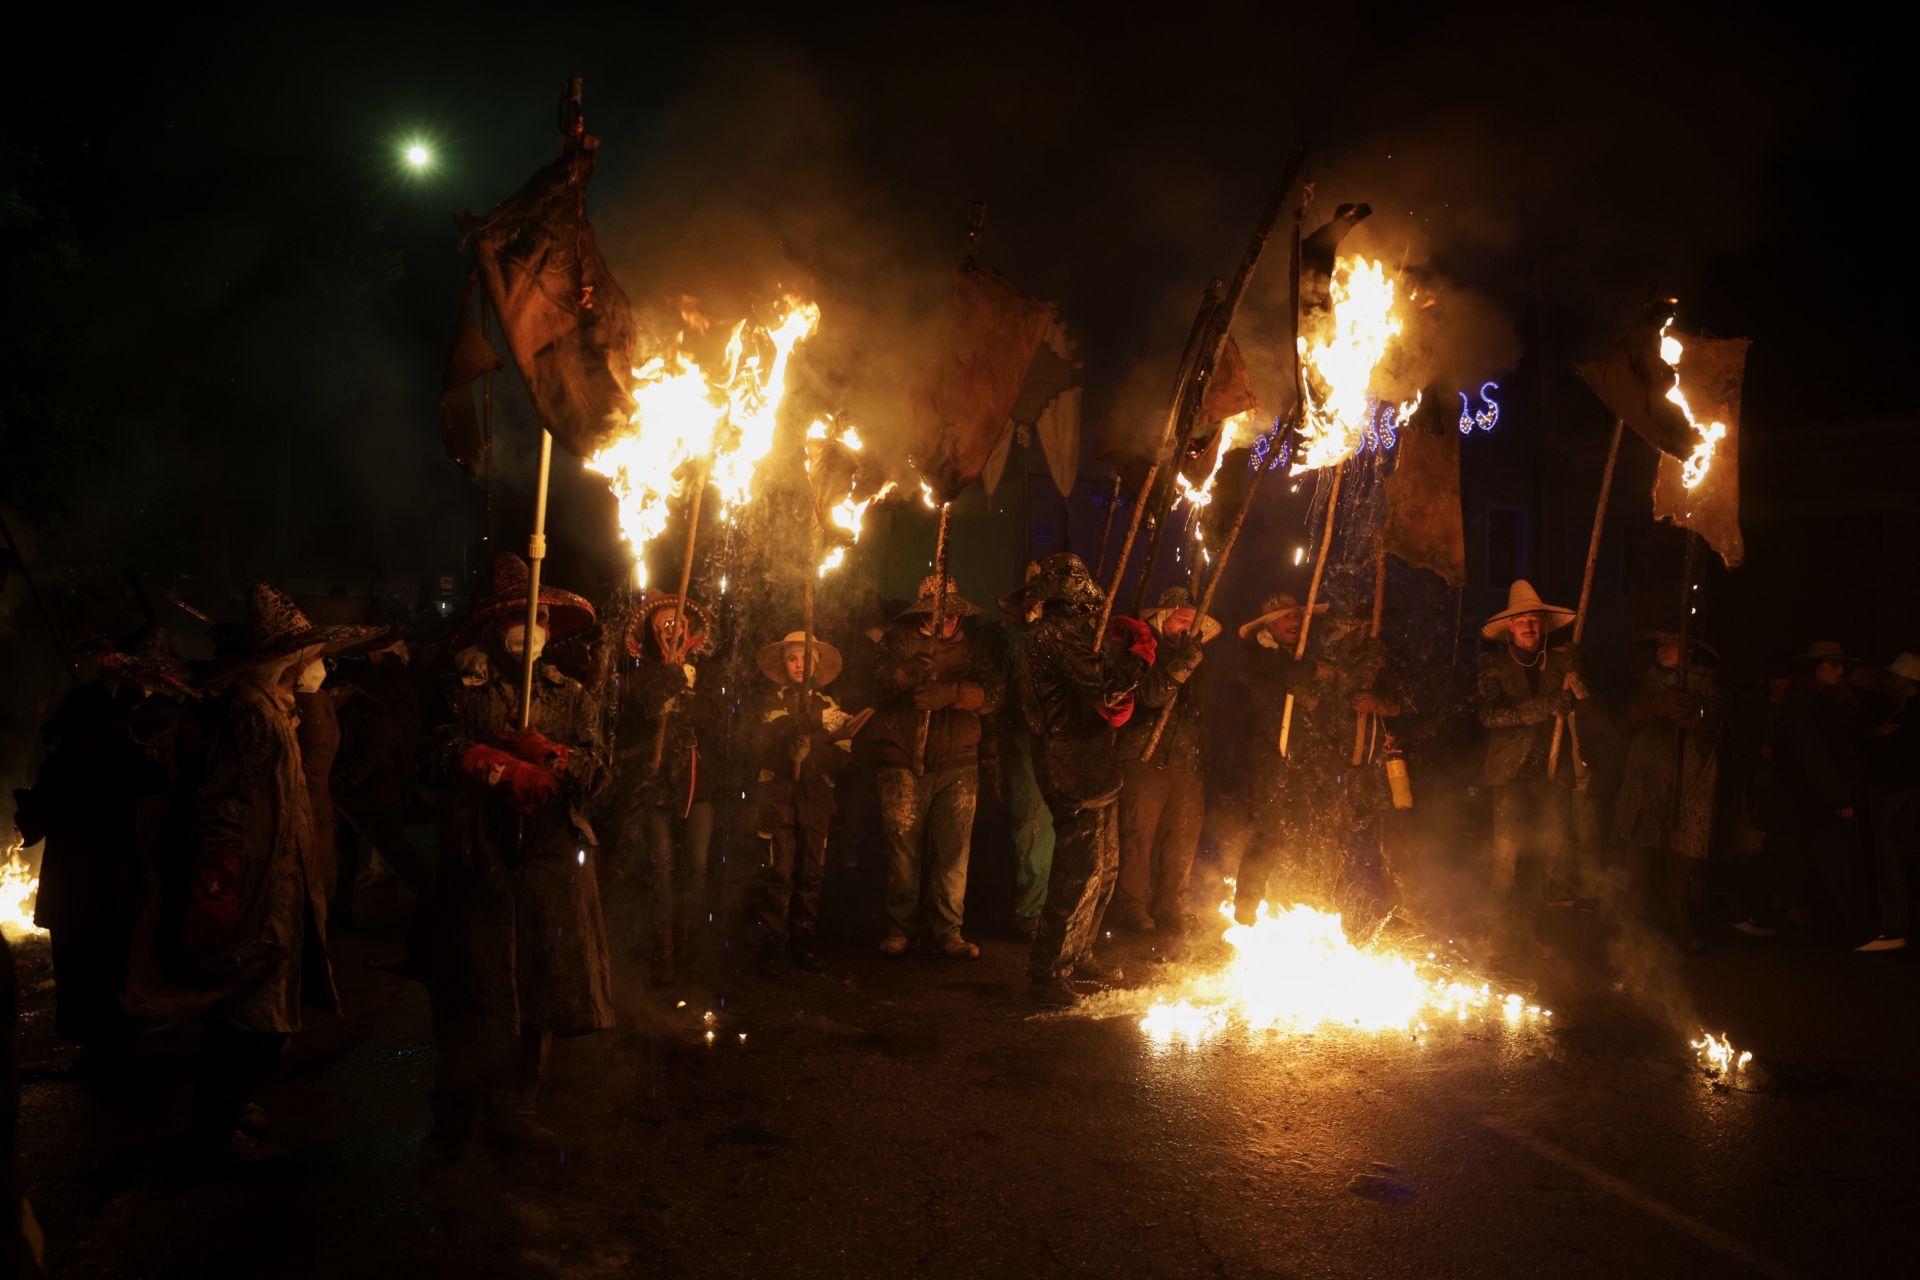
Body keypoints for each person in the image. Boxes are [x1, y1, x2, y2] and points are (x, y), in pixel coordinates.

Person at [423, 555, 613, 1166]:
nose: (530, 632)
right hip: (479, 850)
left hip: (550, 854)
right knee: (471, 979)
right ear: (495, 625)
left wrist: (554, 756)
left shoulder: (572, 695)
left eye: (540, 622)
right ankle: (455, 1104)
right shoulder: (461, 688)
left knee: (539, 976)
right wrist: (495, 766)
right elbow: (433, 752)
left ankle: (519, 1106)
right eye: (518, 619)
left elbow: (599, 771)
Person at [181, 585, 379, 1158]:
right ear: (287, 659)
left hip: (278, 883)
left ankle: (224, 1118)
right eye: (308, 655)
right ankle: (215, 1133)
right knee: (247, 1018)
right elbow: (222, 808)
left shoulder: (271, 709)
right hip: (252, 892)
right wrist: (216, 892)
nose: (316, 665)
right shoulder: (250, 714)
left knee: (264, 1015)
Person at [13, 627, 198, 1054]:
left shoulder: (65, 761)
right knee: (104, 959)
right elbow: (155, 781)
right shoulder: (117, 759)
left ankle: (85, 1029)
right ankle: (104, 1035)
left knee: (76, 962)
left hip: (72, 886)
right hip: (109, 882)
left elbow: (35, 818)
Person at [1004, 554, 1154, 1007]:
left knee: (1103, 869)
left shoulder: (1063, 633)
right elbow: (1107, 684)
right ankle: (1046, 974)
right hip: (1070, 763)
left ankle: (1077, 954)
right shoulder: (1055, 634)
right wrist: (1142, 655)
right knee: (1079, 872)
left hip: (1089, 762)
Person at [870, 575, 1004, 959]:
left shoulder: (974, 650)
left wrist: (954, 694)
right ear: (923, 613)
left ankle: (948, 930)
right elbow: (875, 687)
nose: (945, 620)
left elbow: (995, 695)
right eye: (937, 614)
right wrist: (907, 673)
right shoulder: (896, 642)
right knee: (902, 851)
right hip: (900, 760)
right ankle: (901, 928)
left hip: (958, 761)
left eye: (951, 614)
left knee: (953, 851)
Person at [1474, 580, 1588, 952]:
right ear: (1510, 626)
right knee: (1507, 854)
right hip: (1511, 774)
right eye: (1522, 620)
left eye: (1535, 620)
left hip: (1552, 773)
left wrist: (1578, 680)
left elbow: (1585, 701)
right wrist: (1545, 706)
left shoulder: (1560, 661)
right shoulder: (1494, 667)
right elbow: (1490, 715)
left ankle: (1537, 931)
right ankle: (1498, 933)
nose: (1529, 626)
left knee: (1550, 851)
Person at [613, 593, 720, 985]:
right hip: (656, 784)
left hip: (698, 786)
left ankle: (692, 952)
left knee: (697, 867)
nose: (673, 634)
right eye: (665, 627)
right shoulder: (641, 674)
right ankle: (664, 952)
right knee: (662, 869)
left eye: (679, 627)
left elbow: (715, 718)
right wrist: (663, 688)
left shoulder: (705, 673)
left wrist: (686, 698)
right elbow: (639, 715)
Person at [752, 630, 863, 977]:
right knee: (779, 873)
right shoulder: (772, 703)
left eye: (805, 658)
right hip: (779, 799)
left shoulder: (829, 707)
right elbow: (772, 736)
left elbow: (843, 755)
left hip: (816, 799)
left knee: (810, 872)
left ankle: (804, 942)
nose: (799, 664)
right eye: (792, 658)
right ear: (784, 665)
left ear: (816, 665)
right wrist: (802, 737)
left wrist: (812, 753)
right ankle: (772, 947)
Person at [1610, 632, 1724, 952]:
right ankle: (1634, 931)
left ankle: (1680, 920)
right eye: (1659, 646)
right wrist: (1657, 709)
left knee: (1684, 855)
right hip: (1649, 773)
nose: (1662, 652)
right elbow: (1629, 718)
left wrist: (1691, 718)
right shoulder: (1650, 680)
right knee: (1641, 851)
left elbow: (1715, 725)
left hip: (1691, 774)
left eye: (1669, 645)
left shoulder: (1709, 682)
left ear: (1688, 650)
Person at [1112, 586, 1216, 936]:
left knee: (1182, 836)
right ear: (1161, 618)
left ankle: (1170, 905)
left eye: (1192, 621)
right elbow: (1150, 696)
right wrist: (1180, 666)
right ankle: (1131, 907)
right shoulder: (1140, 650)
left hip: (1184, 760)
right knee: (1138, 834)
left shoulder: (1196, 655)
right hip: (1144, 755)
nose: (1187, 626)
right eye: (1181, 619)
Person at [1229, 592, 1328, 924]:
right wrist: (1314, 671)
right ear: (1269, 625)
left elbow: (1305, 695)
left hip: (1292, 756)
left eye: (1298, 617)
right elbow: (1287, 679)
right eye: (1288, 617)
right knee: (1268, 832)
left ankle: (1288, 904)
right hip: (1264, 756)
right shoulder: (1259, 656)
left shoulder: (1290, 659)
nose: (1296, 623)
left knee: (1296, 830)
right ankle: (1245, 907)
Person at [1777, 640, 1865, 940]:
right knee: (1830, 858)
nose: (1841, 670)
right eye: (1834, 664)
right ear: (1816, 667)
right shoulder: (1803, 700)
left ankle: (1782, 916)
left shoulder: (1825, 699)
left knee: (1814, 856)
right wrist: (1839, 793)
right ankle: (1855, 930)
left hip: (1812, 795)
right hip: (1810, 796)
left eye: (1842, 665)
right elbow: (1812, 752)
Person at [996, 563, 1057, 941]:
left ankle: (1054, 911)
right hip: (1024, 740)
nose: (1039, 604)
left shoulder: (1068, 637)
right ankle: (1030, 912)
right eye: (1033, 597)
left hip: (1062, 742)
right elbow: (1012, 684)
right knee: (1032, 828)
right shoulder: (1010, 638)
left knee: (1060, 828)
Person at [1859, 652, 1917, 951]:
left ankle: (1894, 926)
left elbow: (1901, 754)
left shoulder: (1910, 716)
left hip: (1895, 791)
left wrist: (1876, 737)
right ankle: (1894, 923)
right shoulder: (1901, 710)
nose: (1889, 680)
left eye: (1895, 676)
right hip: (1896, 790)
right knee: (1890, 855)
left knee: (1889, 855)